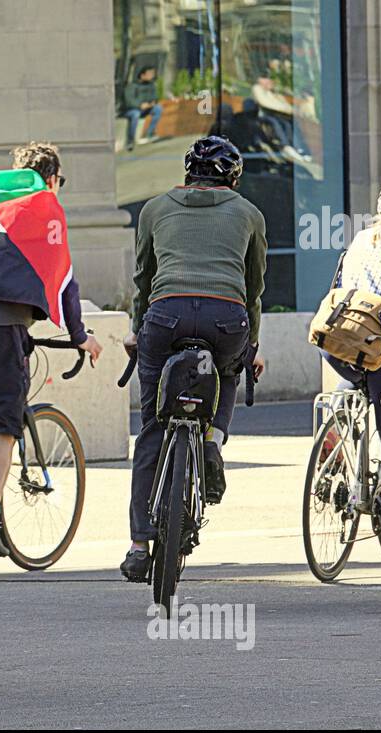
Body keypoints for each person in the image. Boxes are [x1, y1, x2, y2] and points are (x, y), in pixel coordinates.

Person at [0, 141, 103, 557]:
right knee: (4, 424)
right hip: (1, 323)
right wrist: (80, 335)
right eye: (59, 181)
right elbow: (64, 280)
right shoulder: (44, 208)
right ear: (51, 178)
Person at [121, 135, 267, 583]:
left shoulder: (154, 209)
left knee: (152, 426)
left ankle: (140, 545)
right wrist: (252, 348)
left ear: (188, 174)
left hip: (166, 317)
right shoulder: (249, 214)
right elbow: (254, 286)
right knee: (226, 372)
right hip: (227, 319)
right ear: (233, 177)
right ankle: (211, 441)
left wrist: (136, 328)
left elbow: (143, 277)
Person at [322, 178, 381, 550]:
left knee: (359, 376)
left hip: (337, 342)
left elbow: (336, 286)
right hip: (378, 344)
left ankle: (338, 430)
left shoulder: (359, 240)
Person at [120, 66, 163, 151]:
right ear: (142, 75)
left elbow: (155, 97)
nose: (151, 76)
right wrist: (140, 105)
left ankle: (149, 134)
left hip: (146, 109)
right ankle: (130, 141)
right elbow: (128, 101)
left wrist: (151, 103)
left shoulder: (151, 85)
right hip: (131, 110)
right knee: (135, 114)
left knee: (158, 108)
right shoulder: (132, 86)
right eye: (149, 74)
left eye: (152, 74)